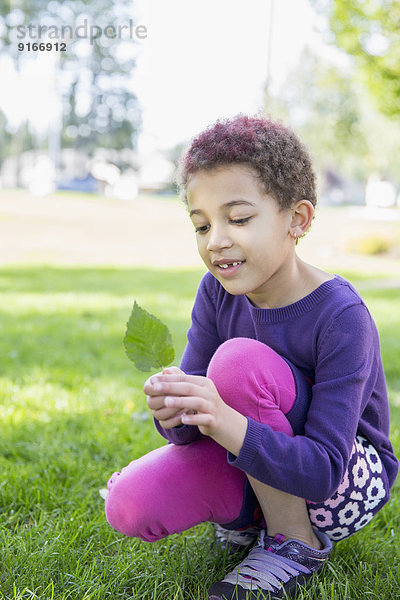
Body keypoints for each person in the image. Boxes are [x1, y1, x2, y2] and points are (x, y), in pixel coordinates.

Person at [104, 115, 398, 600]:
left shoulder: (341, 314)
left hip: (338, 484)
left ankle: (293, 541)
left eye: (238, 219)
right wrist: (174, 410)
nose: (216, 239)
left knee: (238, 363)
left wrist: (220, 415)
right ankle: (248, 519)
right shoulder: (217, 292)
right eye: (202, 225)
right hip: (246, 453)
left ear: (297, 220)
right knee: (129, 504)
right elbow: (191, 428)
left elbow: (325, 469)